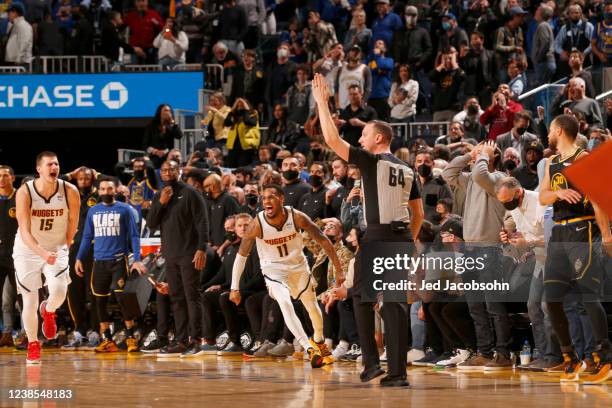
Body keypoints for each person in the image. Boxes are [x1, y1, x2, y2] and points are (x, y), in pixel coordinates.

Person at [312, 73, 424, 387]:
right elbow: (419, 213)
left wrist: (322, 102)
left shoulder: (372, 162)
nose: (360, 139)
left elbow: (332, 141)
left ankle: (372, 364)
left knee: (360, 296)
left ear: (378, 139)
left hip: (376, 236)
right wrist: (409, 241)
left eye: (364, 135)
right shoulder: (407, 168)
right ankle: (398, 374)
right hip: (401, 238)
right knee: (395, 304)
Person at [229, 185, 344, 368]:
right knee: (284, 302)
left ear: (282, 199)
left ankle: (319, 341)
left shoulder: (296, 216)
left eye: (271, 197)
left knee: (312, 308)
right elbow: (241, 255)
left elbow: (323, 239)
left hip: (298, 267)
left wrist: (339, 270)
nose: (267, 201)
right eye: (264, 198)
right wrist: (234, 287)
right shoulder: (257, 224)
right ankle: (309, 348)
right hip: (273, 269)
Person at [538, 114, 612, 384]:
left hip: (583, 229)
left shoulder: (583, 158)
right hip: (559, 232)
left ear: (559, 130)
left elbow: (598, 199)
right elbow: (543, 196)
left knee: (588, 297)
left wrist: (606, 236)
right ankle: (570, 356)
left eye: (550, 130)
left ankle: (604, 359)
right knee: (552, 298)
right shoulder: (551, 163)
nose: (547, 134)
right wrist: (558, 194)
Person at [12, 152, 80, 364]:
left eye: (57, 164)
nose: (54, 167)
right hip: (28, 249)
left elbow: (73, 221)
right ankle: (33, 343)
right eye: (50, 164)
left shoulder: (70, 191)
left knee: (60, 291)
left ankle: (48, 310)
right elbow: (24, 230)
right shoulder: (25, 192)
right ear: (39, 169)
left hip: (56, 246)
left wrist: (66, 244)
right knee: (29, 300)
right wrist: (41, 253)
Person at [75, 178, 146, 353]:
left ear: (115, 191)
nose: (106, 192)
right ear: (98, 191)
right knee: (99, 301)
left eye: (109, 189)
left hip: (118, 261)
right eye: (103, 189)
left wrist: (136, 259)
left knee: (122, 299)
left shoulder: (125, 209)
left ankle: (131, 337)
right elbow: (86, 237)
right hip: (99, 262)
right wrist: (79, 258)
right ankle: (107, 339)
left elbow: (135, 236)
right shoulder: (93, 211)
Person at [146, 160, 209, 356]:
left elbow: (202, 222)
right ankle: (181, 341)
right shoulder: (159, 195)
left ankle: (196, 341)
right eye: (164, 170)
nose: (168, 172)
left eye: (172, 169)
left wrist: (202, 248)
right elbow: (151, 223)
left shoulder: (191, 193)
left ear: (178, 171)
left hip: (190, 253)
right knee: (176, 298)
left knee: (192, 296)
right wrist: (161, 204)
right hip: (171, 255)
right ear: (160, 173)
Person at [0, 165, 17, 347]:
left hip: (17, 257)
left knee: (20, 298)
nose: (2, 179)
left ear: (12, 178)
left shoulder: (20, 197)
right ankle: (6, 333)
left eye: (5, 176)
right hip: (0, 255)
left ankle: (30, 335)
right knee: (4, 300)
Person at [142, 104, 183, 168]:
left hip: (168, 158)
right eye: (166, 110)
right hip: (154, 158)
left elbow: (179, 136)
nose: (168, 112)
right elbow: (145, 145)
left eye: (169, 111)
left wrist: (173, 123)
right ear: (160, 113)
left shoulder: (171, 126)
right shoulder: (151, 126)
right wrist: (156, 152)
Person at [124, 0, 164, 64]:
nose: (141, 3)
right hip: (135, 49)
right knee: (134, 72)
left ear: (147, 2)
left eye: (143, 1)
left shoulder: (154, 14)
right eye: (138, 1)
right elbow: (120, 27)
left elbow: (164, 29)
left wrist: (157, 24)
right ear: (135, 3)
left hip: (150, 49)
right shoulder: (130, 16)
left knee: (151, 71)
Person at [225, 98, 261, 168]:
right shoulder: (234, 116)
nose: (240, 107)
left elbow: (249, 122)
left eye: (242, 105)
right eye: (238, 105)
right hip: (233, 146)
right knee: (231, 168)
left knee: (243, 169)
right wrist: (232, 110)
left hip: (246, 147)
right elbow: (226, 123)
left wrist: (246, 110)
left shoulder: (253, 113)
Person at [531, 5, 556, 87]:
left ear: (542, 13)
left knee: (541, 90)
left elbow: (545, 43)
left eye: (538, 10)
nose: (535, 12)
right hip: (545, 63)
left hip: (544, 63)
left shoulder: (543, 26)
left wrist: (538, 58)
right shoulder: (544, 25)